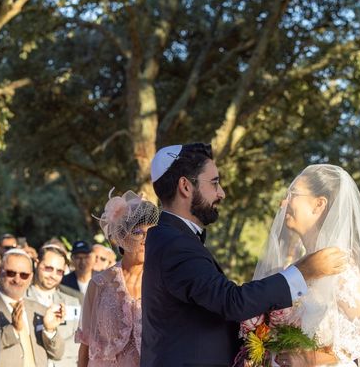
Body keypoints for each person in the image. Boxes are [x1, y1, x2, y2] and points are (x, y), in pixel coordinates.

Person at [141, 143, 347, 366]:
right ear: (186, 186)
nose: (221, 193)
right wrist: (303, 272)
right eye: (214, 183)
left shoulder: (173, 238)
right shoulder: (174, 243)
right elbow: (231, 301)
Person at [257, 164, 360, 366]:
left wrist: (311, 358)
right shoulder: (301, 262)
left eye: (293, 195)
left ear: (319, 204)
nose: (284, 203)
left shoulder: (335, 265)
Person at [77, 189, 160, 366]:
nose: (146, 239)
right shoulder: (99, 284)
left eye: (152, 233)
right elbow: (85, 346)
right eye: (138, 232)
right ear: (122, 236)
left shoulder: (165, 283)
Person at [0, 249, 65, 366]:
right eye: (11, 273)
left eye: (24, 275)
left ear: (30, 277)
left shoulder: (38, 309)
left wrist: (50, 330)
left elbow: (57, 354)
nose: (17, 279)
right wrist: (13, 330)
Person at [26, 245, 81, 366]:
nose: (53, 275)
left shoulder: (73, 302)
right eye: (48, 268)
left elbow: (78, 345)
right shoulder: (21, 299)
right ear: (36, 263)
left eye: (59, 271)